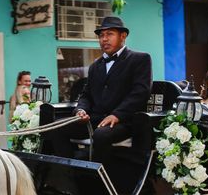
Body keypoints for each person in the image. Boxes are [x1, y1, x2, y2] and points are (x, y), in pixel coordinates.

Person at [50, 16, 152, 165]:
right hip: (95, 119)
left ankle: (101, 179)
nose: (104, 39)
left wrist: (117, 115)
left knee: (101, 135)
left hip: (124, 121)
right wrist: (80, 110)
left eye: (109, 34)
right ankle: (72, 172)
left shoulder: (140, 59)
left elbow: (141, 92)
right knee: (57, 127)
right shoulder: (95, 65)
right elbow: (86, 95)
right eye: (101, 35)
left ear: (123, 36)